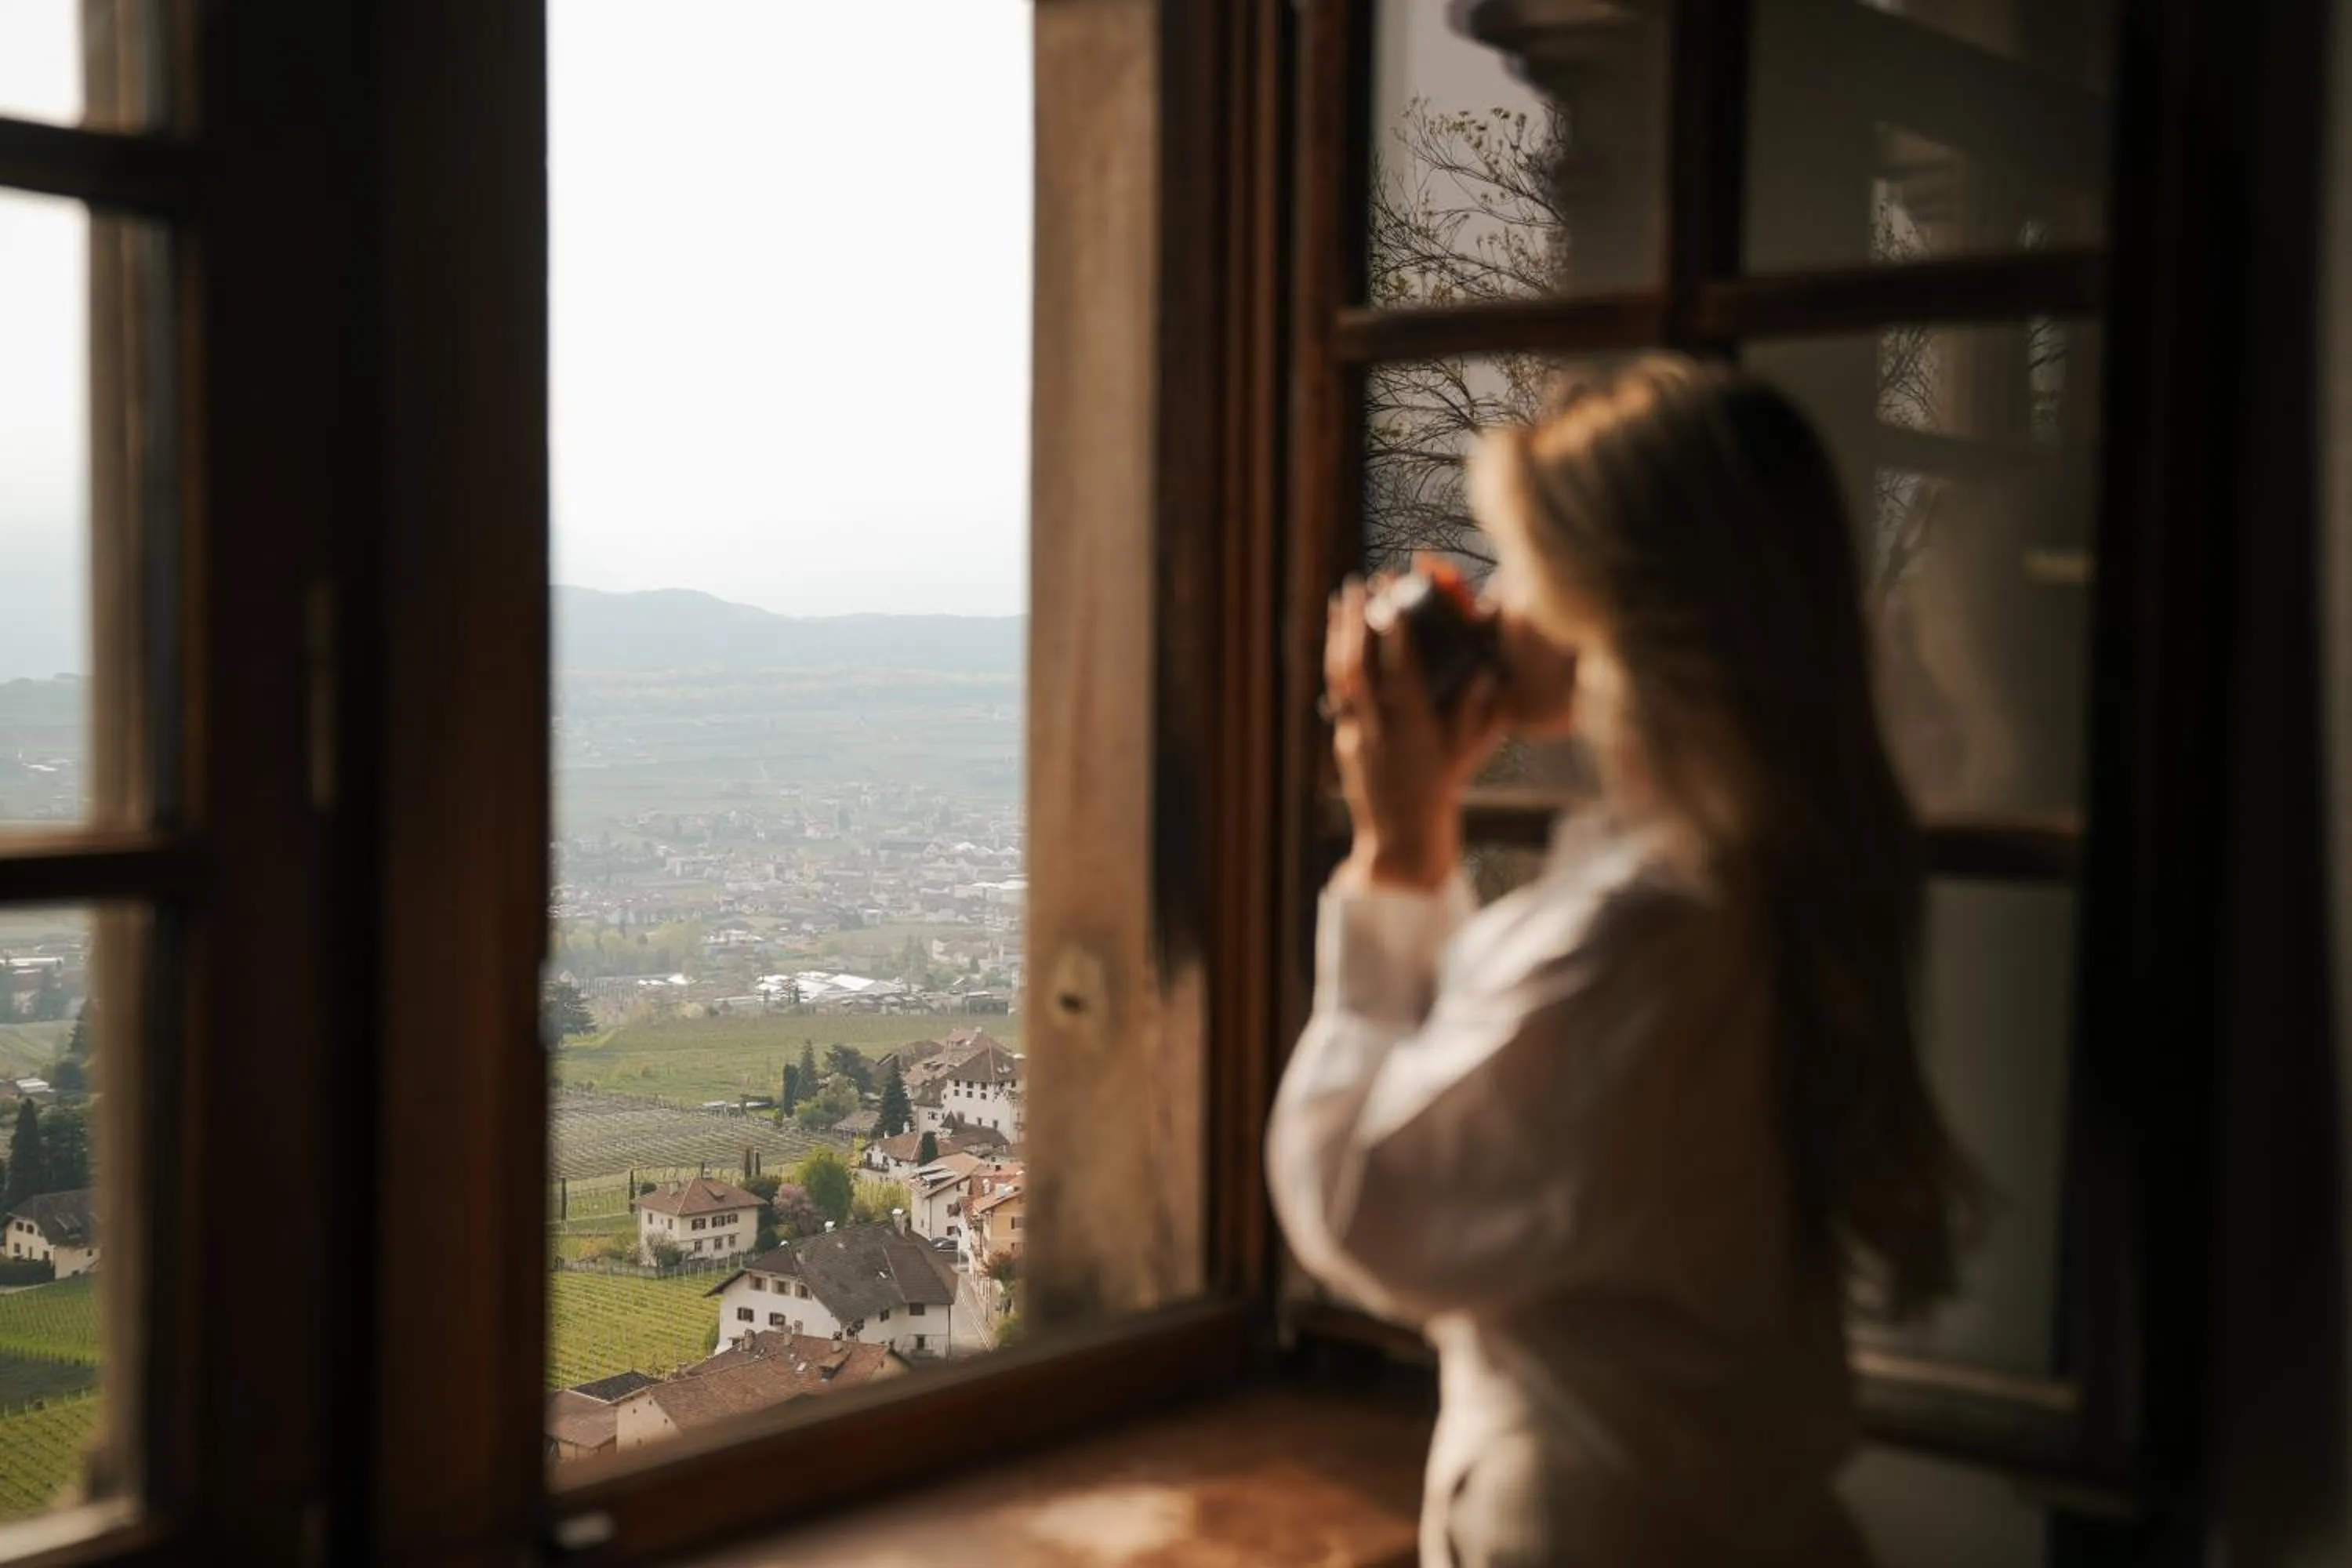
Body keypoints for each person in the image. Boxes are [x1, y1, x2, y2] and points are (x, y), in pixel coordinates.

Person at [1268, 355, 1980, 1566]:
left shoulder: (1638, 942)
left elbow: (1359, 1201)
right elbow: (1503, 1111)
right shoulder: (1754, 883)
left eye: (1524, 560)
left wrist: (1395, 856)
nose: (1493, 600)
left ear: (1614, 612)